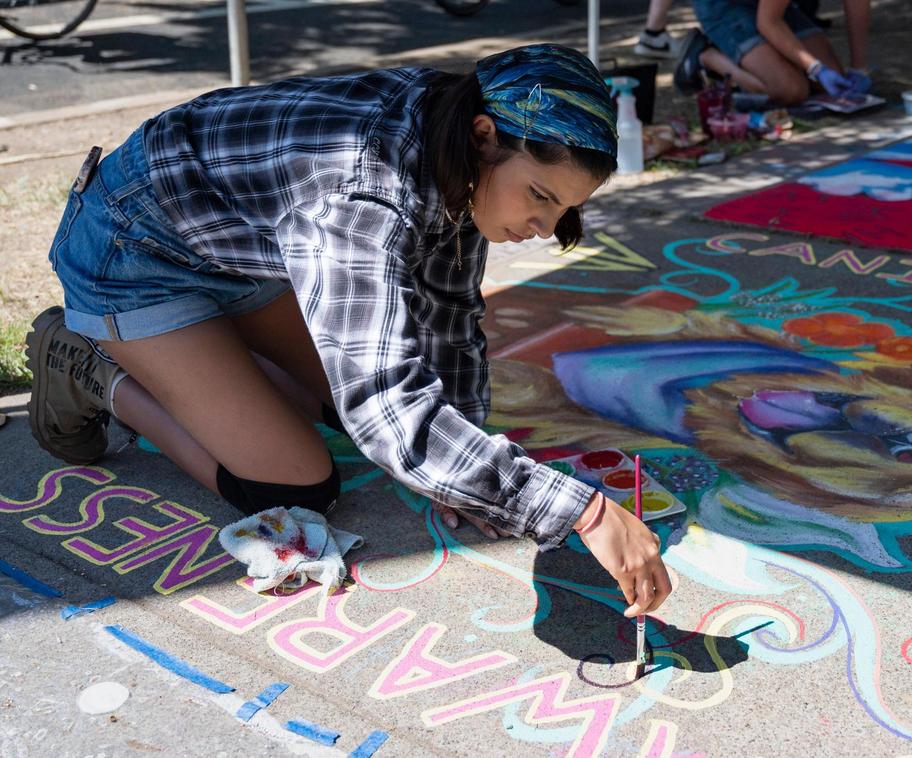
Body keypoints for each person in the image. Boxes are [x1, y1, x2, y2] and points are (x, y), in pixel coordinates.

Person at [26, 43, 672, 619]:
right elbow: (389, 412)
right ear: (483, 135)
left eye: (561, 209)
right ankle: (90, 368)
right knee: (297, 484)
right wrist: (578, 511)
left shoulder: (451, 141)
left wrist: (470, 459)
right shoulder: (366, 189)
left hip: (236, 251)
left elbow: (448, 312)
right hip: (131, 257)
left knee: (342, 408)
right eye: (539, 195)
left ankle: (204, 358)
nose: (542, 225)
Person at [674, 0, 871, 104]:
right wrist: (815, 68)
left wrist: (858, 67)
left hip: (770, 7)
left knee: (830, 84)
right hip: (725, 5)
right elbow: (768, 22)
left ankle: (756, 58)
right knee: (790, 90)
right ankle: (706, 55)